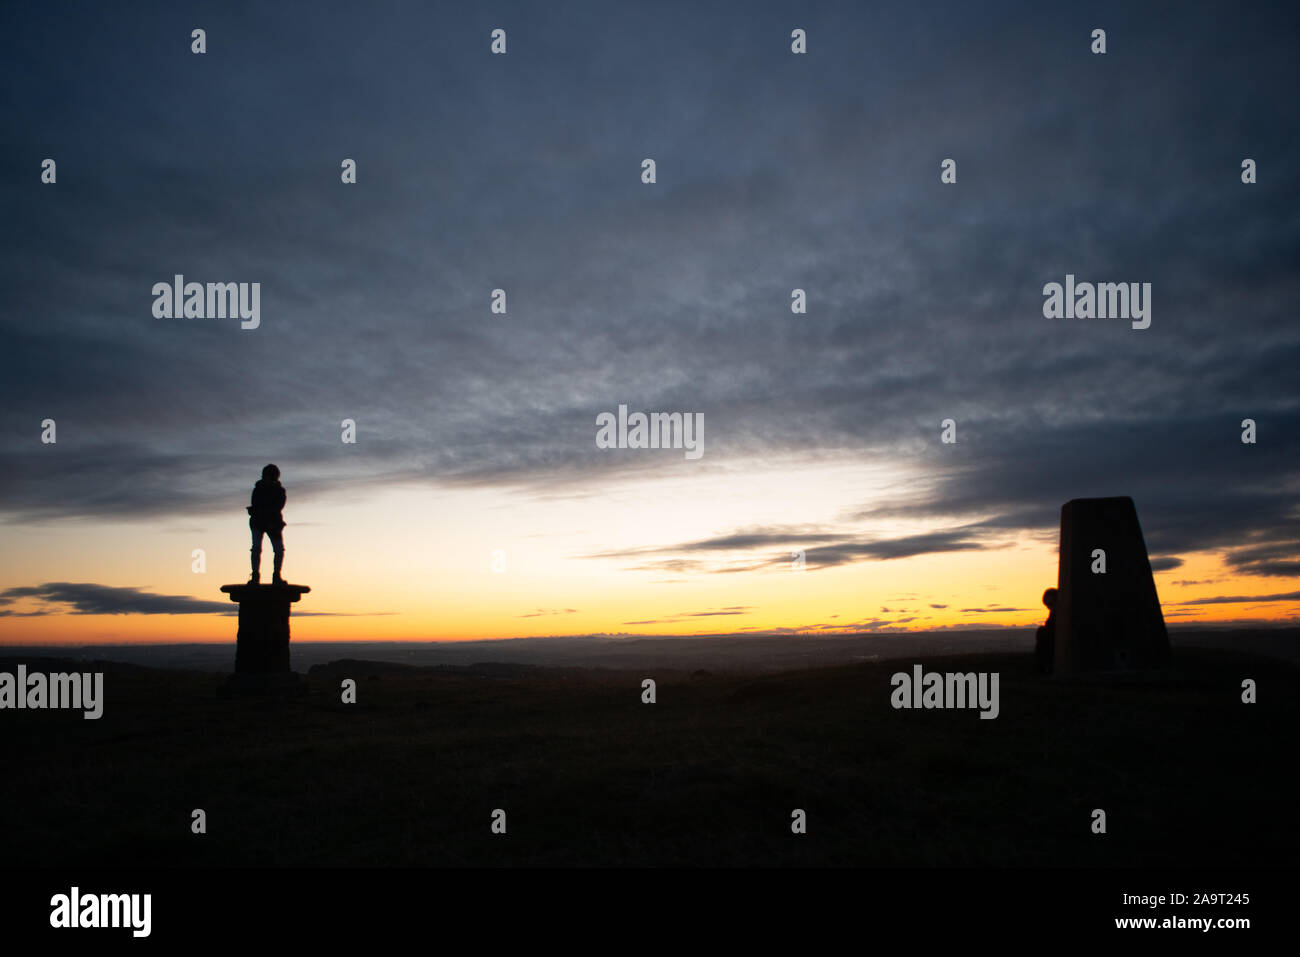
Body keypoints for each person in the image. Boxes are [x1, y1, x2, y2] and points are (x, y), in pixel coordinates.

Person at [247, 464, 286, 585]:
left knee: (279, 549)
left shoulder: (279, 491)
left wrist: (269, 519)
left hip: (273, 523)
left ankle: (276, 576)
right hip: (259, 522)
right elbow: (256, 504)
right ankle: (255, 576)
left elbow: (278, 506)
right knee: (256, 548)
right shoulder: (258, 489)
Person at [1035, 587, 1057, 674]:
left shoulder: (1058, 615)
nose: (1049, 607)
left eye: (1051, 604)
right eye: (1047, 605)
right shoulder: (1054, 614)